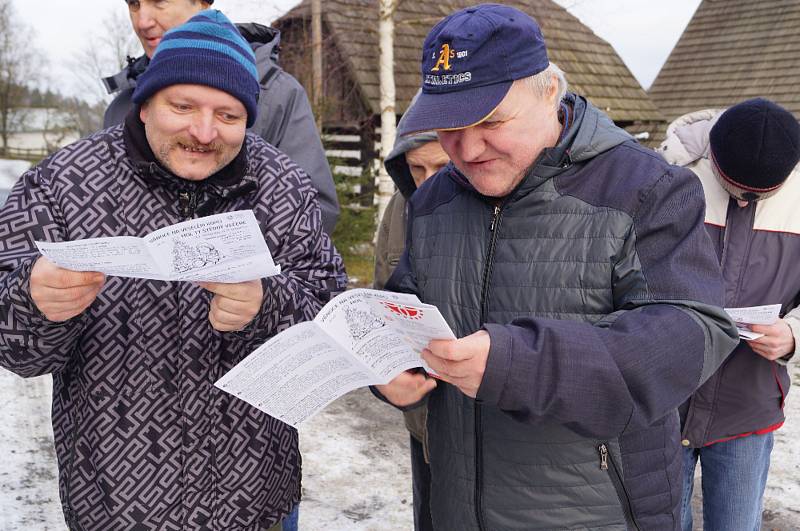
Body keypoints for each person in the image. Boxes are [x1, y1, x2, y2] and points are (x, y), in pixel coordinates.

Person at [372, 4, 739, 530]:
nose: (467, 149)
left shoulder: (646, 189)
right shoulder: (433, 200)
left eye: (491, 121)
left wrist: (521, 365)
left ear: (550, 91)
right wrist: (385, 368)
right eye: (448, 128)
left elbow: (693, 332)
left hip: (600, 512)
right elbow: (404, 311)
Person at [0, 10, 346, 530]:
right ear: (144, 107)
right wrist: (32, 302)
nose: (204, 132)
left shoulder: (283, 187)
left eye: (228, 116)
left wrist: (267, 303)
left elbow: (331, 319)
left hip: (253, 504)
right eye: (182, 107)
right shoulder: (60, 185)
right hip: (115, 504)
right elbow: (17, 353)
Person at [658, 98, 800, 531]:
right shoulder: (668, 177)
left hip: (748, 404)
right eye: (736, 191)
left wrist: (793, 335)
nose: (745, 203)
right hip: (662, 400)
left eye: (760, 197)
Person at [103, 0, 340, 235]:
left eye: (160, 2)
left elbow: (314, 210)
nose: (142, 21)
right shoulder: (121, 105)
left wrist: (229, 259)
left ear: (204, 3)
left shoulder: (278, 94)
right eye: (134, 3)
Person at [374, 102, 449, 531]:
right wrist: (386, 370)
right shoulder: (401, 208)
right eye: (416, 170)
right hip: (422, 423)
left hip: (491, 439)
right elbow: (384, 298)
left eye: (440, 166)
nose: (426, 183)